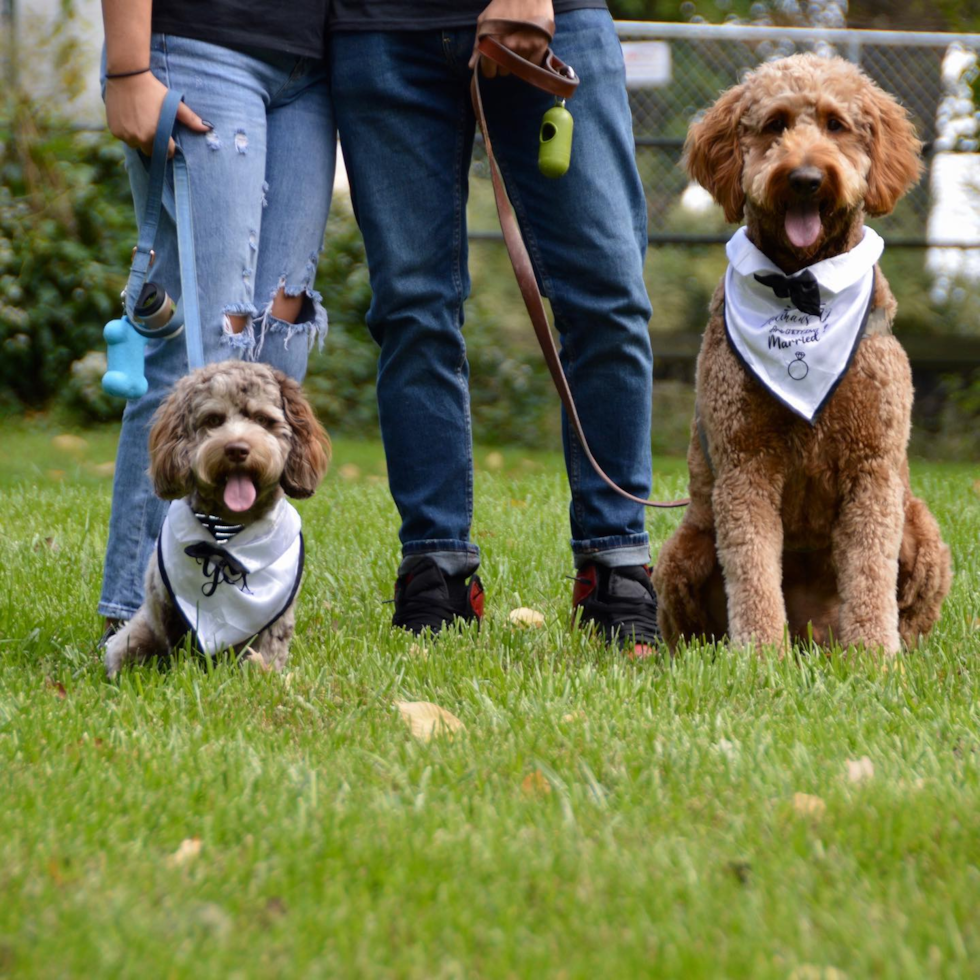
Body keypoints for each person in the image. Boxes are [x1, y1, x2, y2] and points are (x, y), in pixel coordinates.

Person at [329, 0, 660, 651]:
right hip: (379, 28)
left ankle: (616, 563)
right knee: (411, 309)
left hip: (552, 16)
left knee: (607, 295)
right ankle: (436, 571)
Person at [97, 0, 335, 640]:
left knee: (278, 352)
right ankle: (138, 614)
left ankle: (241, 612)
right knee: (198, 360)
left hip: (313, 65)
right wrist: (127, 67)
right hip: (202, 39)